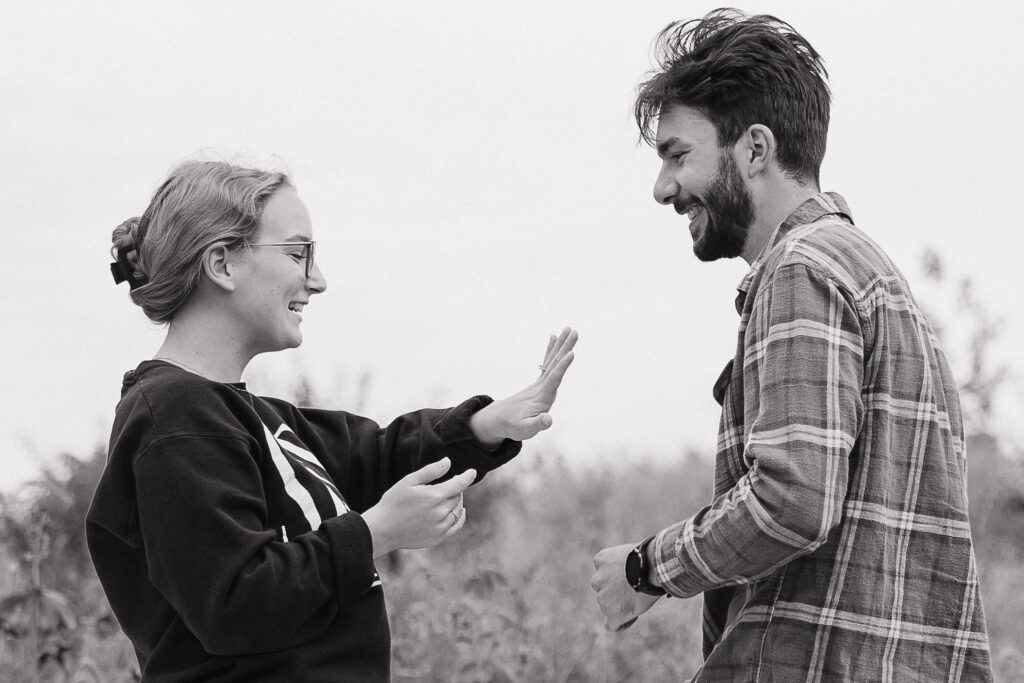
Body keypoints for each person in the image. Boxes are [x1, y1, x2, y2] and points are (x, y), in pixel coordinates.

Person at [590, 9, 992, 681]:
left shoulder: (803, 268)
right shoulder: (866, 270)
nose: (663, 188)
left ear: (754, 149)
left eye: (677, 155)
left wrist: (647, 567)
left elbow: (793, 500)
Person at [86, 159, 578, 682]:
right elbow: (235, 602)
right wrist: (374, 534)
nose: (316, 280)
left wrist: (484, 426)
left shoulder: (250, 416)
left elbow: (375, 457)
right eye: (299, 253)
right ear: (222, 264)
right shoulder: (176, 419)